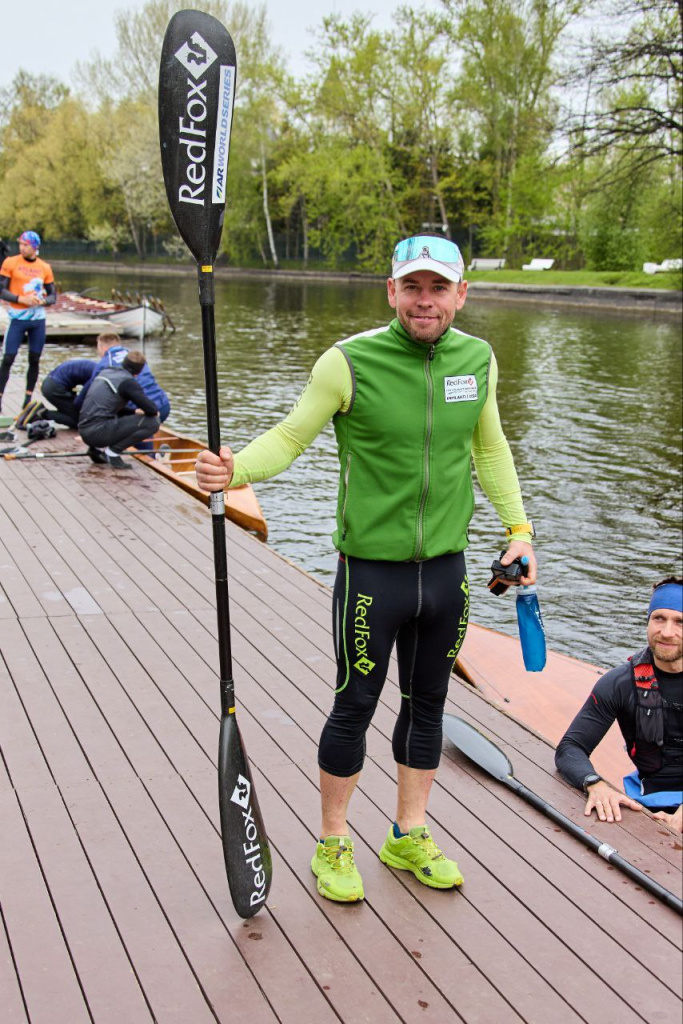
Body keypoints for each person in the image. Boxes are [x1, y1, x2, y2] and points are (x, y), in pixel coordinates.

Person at [195, 233, 537, 903]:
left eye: (438, 288)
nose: (424, 300)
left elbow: (489, 448)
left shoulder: (479, 358)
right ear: (391, 291)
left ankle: (407, 832)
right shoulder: (347, 362)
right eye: (411, 286)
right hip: (369, 577)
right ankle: (333, 841)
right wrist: (233, 469)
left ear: (461, 294)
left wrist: (519, 529)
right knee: (354, 704)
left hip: (445, 574)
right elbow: (290, 437)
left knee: (428, 704)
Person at [555, 578, 682, 833]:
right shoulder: (620, 683)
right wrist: (595, 784)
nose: (667, 632)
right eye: (659, 618)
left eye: (680, 622)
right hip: (649, 803)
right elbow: (570, 748)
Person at [0, 231, 56, 412]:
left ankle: (27, 399)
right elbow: (2, 290)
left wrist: (44, 301)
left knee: (34, 358)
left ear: (35, 247)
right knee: (8, 358)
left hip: (37, 320)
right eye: (20, 244)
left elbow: (53, 295)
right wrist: (20, 299)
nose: (21, 247)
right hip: (17, 318)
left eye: (25, 245)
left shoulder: (45, 267)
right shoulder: (10, 262)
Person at [77, 349, 160, 468]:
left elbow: (108, 406)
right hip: (97, 434)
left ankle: (96, 449)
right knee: (153, 422)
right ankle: (113, 452)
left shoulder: (106, 372)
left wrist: (133, 411)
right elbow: (152, 410)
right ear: (138, 373)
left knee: (109, 414)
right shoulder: (127, 382)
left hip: (84, 430)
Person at [76, 331, 171, 424]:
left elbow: (91, 392)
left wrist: (77, 407)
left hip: (138, 411)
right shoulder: (134, 357)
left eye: (97, 347)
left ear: (103, 347)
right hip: (163, 406)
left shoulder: (104, 363)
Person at [39, 358, 97, 429]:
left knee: (71, 411)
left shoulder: (98, 367)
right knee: (80, 421)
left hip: (50, 382)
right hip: (55, 388)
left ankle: (43, 412)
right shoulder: (97, 375)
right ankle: (42, 413)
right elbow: (79, 402)